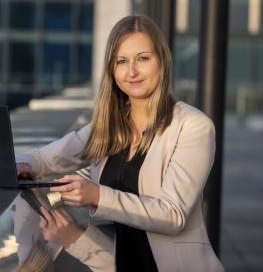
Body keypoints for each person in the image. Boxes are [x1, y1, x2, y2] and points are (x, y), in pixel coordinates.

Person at [16, 15, 225, 272]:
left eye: (143, 58)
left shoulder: (193, 126)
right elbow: (45, 159)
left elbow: (173, 215)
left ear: (162, 61)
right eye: (122, 61)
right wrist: (20, 166)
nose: (132, 72)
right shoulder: (108, 127)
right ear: (112, 70)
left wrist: (96, 195)